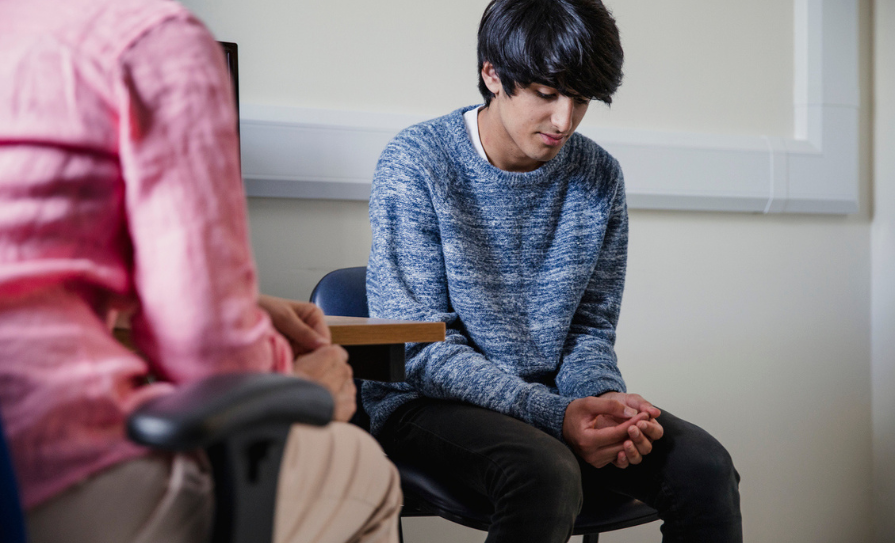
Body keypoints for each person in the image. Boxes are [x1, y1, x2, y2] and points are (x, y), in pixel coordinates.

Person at [0, 0, 400, 542]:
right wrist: (304, 385)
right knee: (363, 466)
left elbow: (37, 273)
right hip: (52, 465)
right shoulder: (149, 40)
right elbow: (211, 359)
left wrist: (243, 304)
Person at [364, 0, 742, 542]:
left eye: (581, 99)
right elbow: (418, 348)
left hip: (553, 404)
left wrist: (605, 405)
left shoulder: (599, 175)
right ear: (492, 75)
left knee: (704, 468)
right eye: (546, 94)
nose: (564, 120)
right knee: (545, 472)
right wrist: (554, 414)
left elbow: (588, 331)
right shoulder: (418, 162)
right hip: (425, 403)